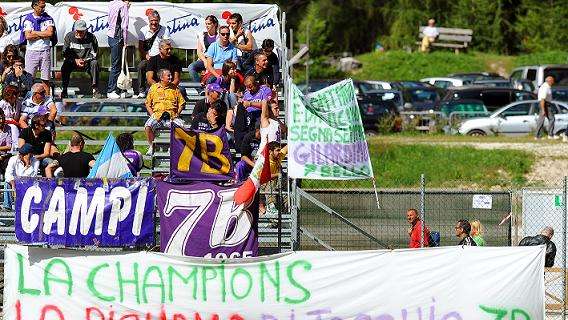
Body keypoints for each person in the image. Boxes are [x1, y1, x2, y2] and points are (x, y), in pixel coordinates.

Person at [144, 68, 185, 155]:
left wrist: (177, 114)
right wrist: (152, 115)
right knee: (148, 126)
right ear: (161, 78)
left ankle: (173, 147)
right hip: (157, 115)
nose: (171, 77)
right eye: (168, 75)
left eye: (170, 75)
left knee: (181, 126)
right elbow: (147, 103)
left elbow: (182, 103)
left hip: (172, 116)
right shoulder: (153, 88)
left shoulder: (175, 88)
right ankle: (152, 146)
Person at [61, 20, 100, 98]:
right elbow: (65, 53)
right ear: (75, 29)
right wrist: (75, 60)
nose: (79, 33)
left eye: (82, 31)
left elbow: (95, 53)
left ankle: (95, 89)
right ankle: (64, 90)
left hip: (87, 61)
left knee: (95, 63)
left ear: (86, 30)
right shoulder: (69, 36)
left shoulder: (92, 37)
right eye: (78, 31)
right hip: (73, 61)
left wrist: (85, 60)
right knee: (65, 65)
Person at [22, 0, 55, 91]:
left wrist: (35, 33)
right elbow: (28, 36)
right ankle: (29, 100)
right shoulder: (28, 19)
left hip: (45, 51)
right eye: (41, 7)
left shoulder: (48, 18)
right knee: (29, 79)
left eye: (44, 6)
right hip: (32, 51)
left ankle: (47, 101)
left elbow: (49, 33)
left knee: (46, 79)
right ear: (34, 6)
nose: (43, 8)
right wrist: (43, 34)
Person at [136, 10, 170, 98]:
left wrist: (160, 56)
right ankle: (141, 90)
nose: (154, 22)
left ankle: (164, 88)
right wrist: (146, 56)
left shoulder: (165, 30)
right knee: (141, 66)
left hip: (161, 57)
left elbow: (166, 44)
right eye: (152, 20)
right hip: (148, 58)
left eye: (156, 20)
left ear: (159, 20)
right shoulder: (143, 30)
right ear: (149, 20)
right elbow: (140, 47)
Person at [4, 143, 39, 209]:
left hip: (28, 184)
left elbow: (32, 177)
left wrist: (28, 165)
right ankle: (7, 207)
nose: (20, 155)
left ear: (29, 155)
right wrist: (13, 185)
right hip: (15, 182)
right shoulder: (13, 159)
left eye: (23, 154)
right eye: (20, 153)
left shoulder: (35, 162)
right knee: (7, 184)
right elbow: (8, 175)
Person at [106, 0, 130, 99]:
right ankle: (111, 90)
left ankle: (119, 89)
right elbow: (124, 25)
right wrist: (125, 41)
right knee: (117, 64)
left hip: (111, 36)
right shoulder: (123, 5)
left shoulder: (112, 3)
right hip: (118, 37)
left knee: (118, 64)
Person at [188, 15, 218, 82]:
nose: (207, 26)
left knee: (211, 77)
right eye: (206, 24)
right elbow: (199, 52)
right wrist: (205, 61)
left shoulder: (219, 36)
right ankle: (199, 88)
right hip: (204, 59)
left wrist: (209, 64)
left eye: (209, 24)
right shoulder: (202, 35)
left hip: (216, 60)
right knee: (191, 67)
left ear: (215, 24)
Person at [0, 85, 20, 150]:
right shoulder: (2, 103)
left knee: (14, 127)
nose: (17, 96)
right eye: (16, 94)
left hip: (16, 124)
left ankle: (16, 146)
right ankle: (16, 147)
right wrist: (11, 121)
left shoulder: (18, 103)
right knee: (12, 127)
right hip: (3, 124)